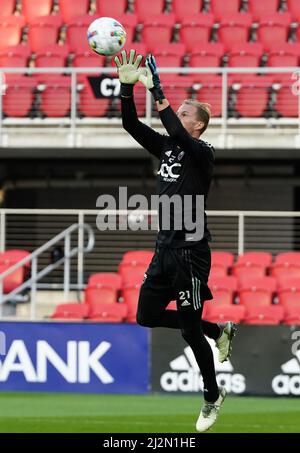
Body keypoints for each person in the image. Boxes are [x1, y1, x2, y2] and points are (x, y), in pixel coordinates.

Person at [115, 49, 236, 432]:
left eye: (185, 114)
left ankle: (211, 395)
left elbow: (179, 133)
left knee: (187, 327)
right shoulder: (167, 147)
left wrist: (160, 93)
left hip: (191, 253)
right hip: (163, 248)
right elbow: (131, 125)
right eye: (178, 112)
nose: (177, 118)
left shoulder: (202, 153)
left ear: (198, 126)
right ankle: (218, 331)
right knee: (146, 316)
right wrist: (125, 87)